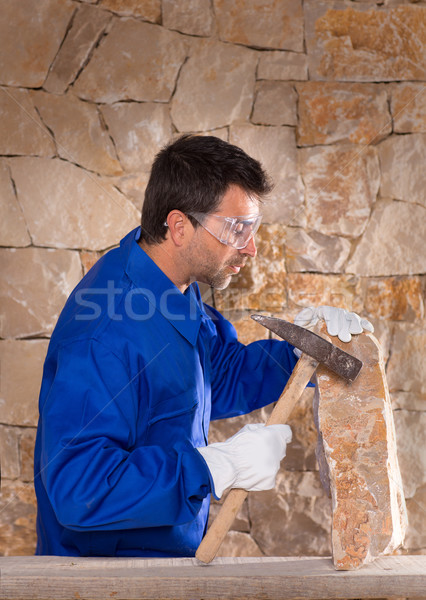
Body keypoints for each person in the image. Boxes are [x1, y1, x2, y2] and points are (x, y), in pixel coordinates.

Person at [34, 134, 373, 557]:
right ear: (179, 227)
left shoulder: (174, 286)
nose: (250, 248)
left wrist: (301, 355)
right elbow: (78, 487)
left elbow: (219, 376)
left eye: (252, 228)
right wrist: (213, 468)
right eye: (237, 229)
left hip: (169, 564)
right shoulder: (104, 331)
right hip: (108, 576)